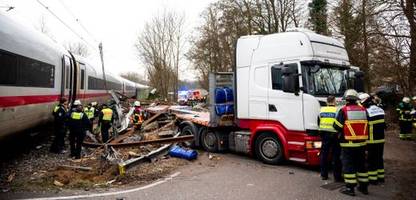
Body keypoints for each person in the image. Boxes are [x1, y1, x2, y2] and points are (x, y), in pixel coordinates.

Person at [333, 89, 369, 196]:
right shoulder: (363, 110)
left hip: (348, 144)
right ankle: (363, 187)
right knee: (361, 165)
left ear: (346, 99)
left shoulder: (343, 111)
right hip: (362, 144)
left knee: (349, 165)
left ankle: (350, 188)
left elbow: (337, 126)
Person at [359, 93, 386, 185]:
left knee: (371, 160)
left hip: (371, 140)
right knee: (379, 158)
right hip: (381, 139)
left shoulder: (366, 111)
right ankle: (381, 177)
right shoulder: (380, 110)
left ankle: (373, 179)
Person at [318, 95, 342, 182]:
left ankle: (324, 175)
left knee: (324, 154)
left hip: (324, 134)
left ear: (327, 102)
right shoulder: (338, 110)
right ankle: (337, 177)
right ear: (334, 101)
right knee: (336, 155)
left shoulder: (321, 109)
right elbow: (339, 123)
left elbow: (319, 121)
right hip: (335, 134)